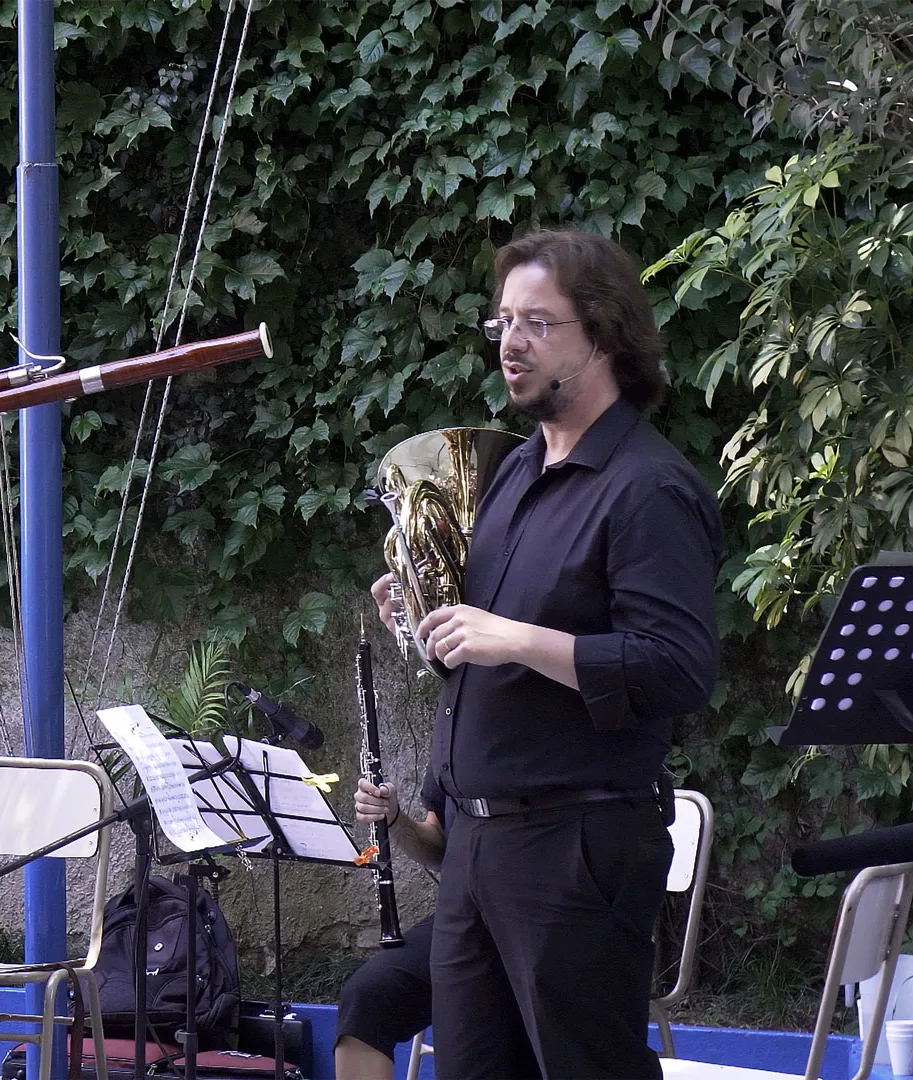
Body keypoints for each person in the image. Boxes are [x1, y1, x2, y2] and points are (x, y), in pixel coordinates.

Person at [371, 229, 719, 1078]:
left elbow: (677, 667)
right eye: (501, 324)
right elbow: (479, 655)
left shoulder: (649, 487)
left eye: (536, 323)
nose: (510, 344)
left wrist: (515, 637)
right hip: (477, 850)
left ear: (602, 334)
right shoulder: (513, 473)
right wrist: (423, 618)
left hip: (578, 848)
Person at [332, 773, 448, 1080]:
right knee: (367, 996)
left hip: (552, 906)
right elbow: (439, 846)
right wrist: (393, 817)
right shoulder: (451, 728)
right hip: (466, 911)